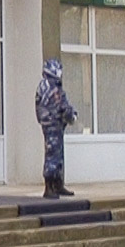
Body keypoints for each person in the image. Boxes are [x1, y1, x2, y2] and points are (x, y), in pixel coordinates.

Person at [35, 57, 77, 199]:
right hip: (54, 125)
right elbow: (63, 106)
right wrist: (72, 116)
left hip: (47, 124)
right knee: (53, 155)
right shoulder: (54, 88)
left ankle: (57, 185)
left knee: (55, 154)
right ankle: (50, 187)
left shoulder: (42, 86)